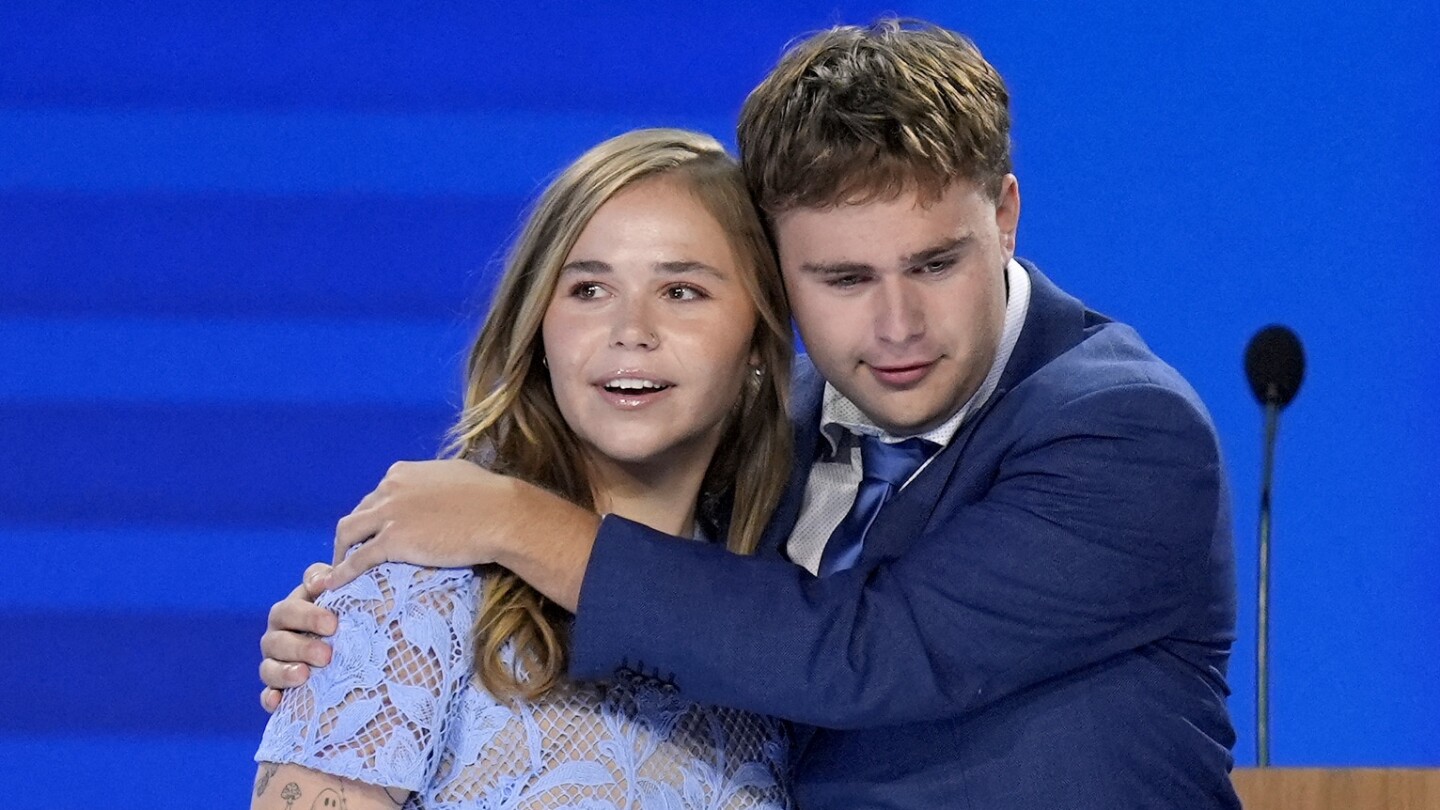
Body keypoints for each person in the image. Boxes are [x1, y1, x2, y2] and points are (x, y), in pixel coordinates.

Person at [261, 20, 1240, 808]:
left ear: (1007, 215)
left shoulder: (1124, 428)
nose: (897, 324)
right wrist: (362, 635)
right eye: (843, 278)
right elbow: (704, 611)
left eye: (936, 264)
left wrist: (514, 523)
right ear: (778, 283)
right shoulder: (766, 452)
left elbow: (867, 655)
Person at [250, 128, 798, 809]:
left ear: (760, 338)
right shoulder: (415, 586)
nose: (631, 328)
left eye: (682, 291)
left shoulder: (780, 637)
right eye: (590, 289)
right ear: (539, 329)